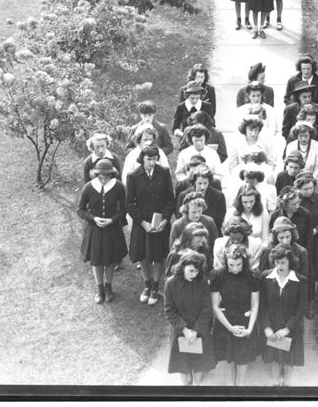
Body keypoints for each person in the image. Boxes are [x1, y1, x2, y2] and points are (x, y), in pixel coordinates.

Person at [126, 145, 176, 306]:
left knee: (158, 255)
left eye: (155, 159)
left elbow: (170, 199)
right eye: (149, 159)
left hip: (160, 223)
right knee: (143, 256)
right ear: (142, 159)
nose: (152, 163)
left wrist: (165, 220)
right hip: (142, 224)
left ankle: (155, 286)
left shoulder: (164, 173)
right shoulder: (133, 176)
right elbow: (129, 204)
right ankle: (147, 284)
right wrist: (143, 223)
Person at [210, 243, 261, 386]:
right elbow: (215, 306)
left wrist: (250, 329)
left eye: (238, 264)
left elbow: (255, 304)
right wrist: (229, 328)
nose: (235, 268)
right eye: (231, 264)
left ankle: (241, 386)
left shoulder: (252, 275)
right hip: (225, 320)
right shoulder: (218, 275)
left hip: (244, 319)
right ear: (226, 261)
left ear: (244, 262)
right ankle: (231, 383)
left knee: (242, 356)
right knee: (229, 356)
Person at [78, 158, 128, 304]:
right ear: (96, 175)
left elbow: (124, 209)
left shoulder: (118, 187)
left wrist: (113, 220)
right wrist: (94, 219)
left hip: (112, 229)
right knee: (96, 261)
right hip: (95, 230)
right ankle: (99, 289)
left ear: (111, 175)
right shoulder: (88, 187)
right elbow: (80, 210)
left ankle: (108, 287)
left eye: (106, 176)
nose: (104, 180)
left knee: (110, 259)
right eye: (100, 177)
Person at [163, 250, 216, 385]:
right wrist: (185, 330)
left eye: (197, 271)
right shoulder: (170, 283)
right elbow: (170, 311)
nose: (194, 275)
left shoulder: (202, 281)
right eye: (191, 271)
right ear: (182, 267)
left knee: (199, 362)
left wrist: (196, 330)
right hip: (180, 330)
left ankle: (197, 385)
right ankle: (186, 386)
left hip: (200, 328)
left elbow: (206, 308)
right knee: (182, 364)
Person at [260, 244, 308, 386]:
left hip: (291, 330)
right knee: (274, 362)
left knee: (288, 363)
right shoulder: (266, 277)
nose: (279, 266)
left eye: (283, 262)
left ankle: (287, 388)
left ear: (290, 262)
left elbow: (301, 308)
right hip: (272, 330)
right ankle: (276, 386)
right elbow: (262, 305)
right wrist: (267, 327)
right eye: (277, 262)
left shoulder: (300, 280)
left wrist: (287, 329)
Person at [294, 170, 318, 316]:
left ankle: (310, 303)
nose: (309, 191)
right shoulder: (295, 200)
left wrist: (316, 230)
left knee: (313, 271)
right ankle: (296, 302)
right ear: (298, 189)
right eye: (305, 189)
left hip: (314, 241)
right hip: (297, 241)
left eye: (311, 188)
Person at [170, 84, 215, 149]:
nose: (195, 101)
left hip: (204, 143)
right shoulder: (181, 107)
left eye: (197, 98)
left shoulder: (207, 106)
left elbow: (212, 125)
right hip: (186, 143)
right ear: (187, 96)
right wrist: (184, 135)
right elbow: (175, 128)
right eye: (192, 98)